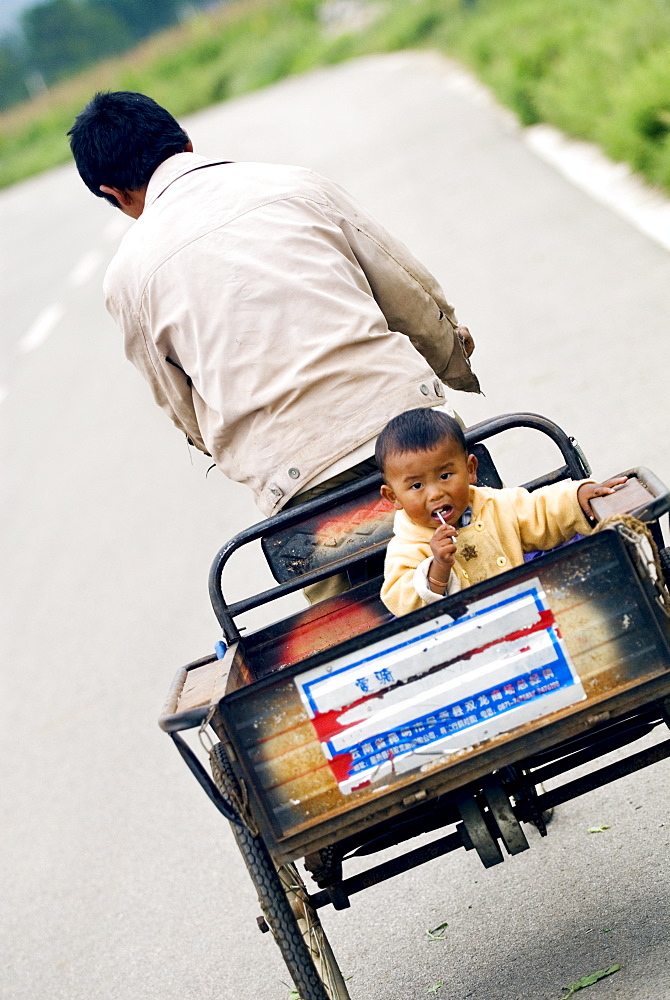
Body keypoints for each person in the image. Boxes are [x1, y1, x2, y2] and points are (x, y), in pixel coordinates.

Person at [67, 91, 480, 535]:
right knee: (498, 557)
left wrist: (231, 445)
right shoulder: (296, 184)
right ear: (185, 142)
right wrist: (451, 360)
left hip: (298, 481)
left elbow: (178, 400)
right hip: (411, 427)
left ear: (113, 193)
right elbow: (407, 291)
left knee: (352, 604)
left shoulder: (127, 276)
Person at [376, 408, 626, 617]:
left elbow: (539, 511)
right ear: (394, 497)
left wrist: (577, 496)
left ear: (470, 470)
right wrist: (438, 568)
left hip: (531, 615)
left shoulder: (494, 505)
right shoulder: (406, 547)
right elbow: (402, 600)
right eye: (417, 486)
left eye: (445, 476)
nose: (434, 494)